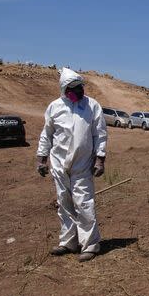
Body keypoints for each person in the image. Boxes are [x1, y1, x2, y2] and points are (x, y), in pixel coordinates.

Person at [36, 68, 107, 262]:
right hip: (59, 164)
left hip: (82, 165)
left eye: (81, 87)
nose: (80, 91)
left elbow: (99, 134)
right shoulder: (54, 107)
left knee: (83, 203)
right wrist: (41, 158)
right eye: (75, 88)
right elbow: (47, 134)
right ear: (65, 89)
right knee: (64, 203)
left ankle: (91, 244)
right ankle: (68, 242)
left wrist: (100, 159)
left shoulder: (92, 106)